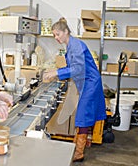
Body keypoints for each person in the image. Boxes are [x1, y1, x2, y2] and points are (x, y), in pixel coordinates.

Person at [44, 18, 106, 162]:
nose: (56, 38)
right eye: (54, 35)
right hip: (84, 83)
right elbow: (72, 67)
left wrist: (57, 73)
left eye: (58, 34)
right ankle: (77, 147)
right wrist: (56, 70)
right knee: (83, 115)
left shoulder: (76, 45)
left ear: (66, 31)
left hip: (90, 83)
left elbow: (77, 69)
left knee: (83, 116)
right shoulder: (70, 45)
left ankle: (79, 152)